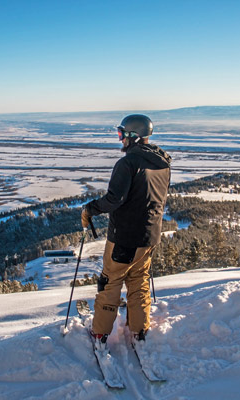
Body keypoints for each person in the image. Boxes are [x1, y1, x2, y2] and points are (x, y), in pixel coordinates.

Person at [81, 114, 171, 348]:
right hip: (150, 236)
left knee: (110, 282)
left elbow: (115, 199)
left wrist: (91, 209)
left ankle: (100, 333)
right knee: (139, 280)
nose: (119, 139)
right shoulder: (162, 163)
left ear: (134, 136)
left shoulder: (128, 163)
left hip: (125, 238)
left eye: (122, 134)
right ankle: (139, 330)